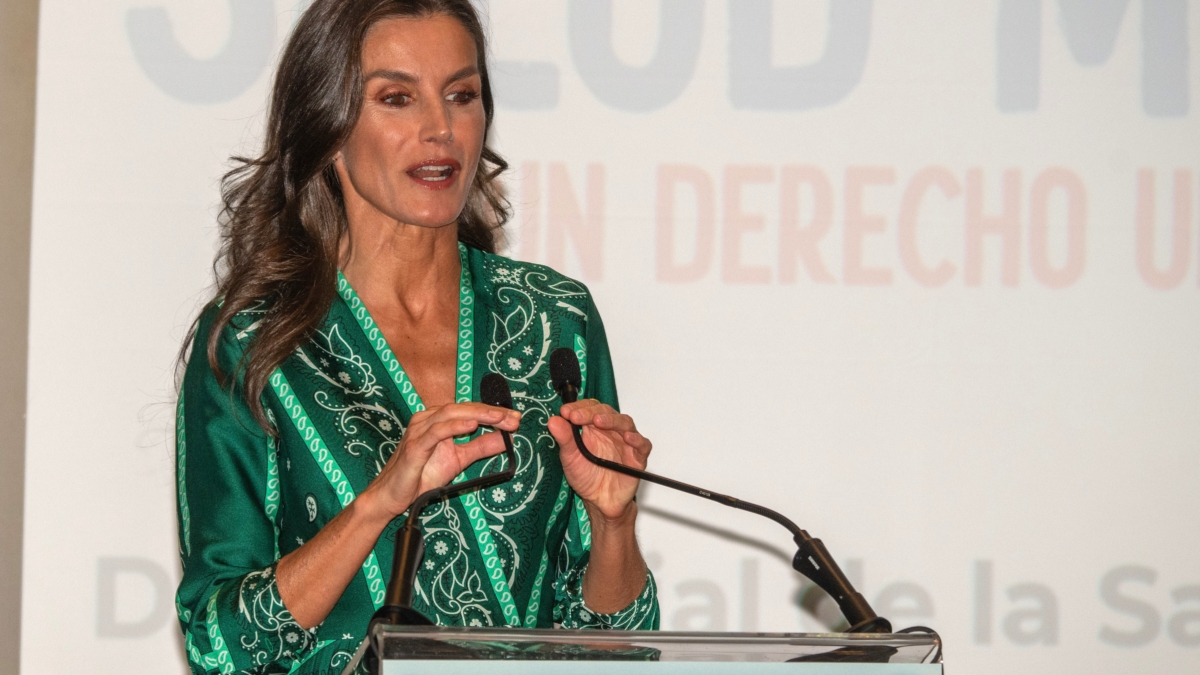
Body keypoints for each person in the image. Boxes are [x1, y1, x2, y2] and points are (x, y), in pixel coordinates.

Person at [174, 1, 659, 672]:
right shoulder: (256, 340)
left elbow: (612, 646)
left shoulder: (554, 317)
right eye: (397, 98)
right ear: (330, 122)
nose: (440, 127)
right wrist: (381, 500)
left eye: (461, 94)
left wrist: (613, 523)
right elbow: (220, 643)